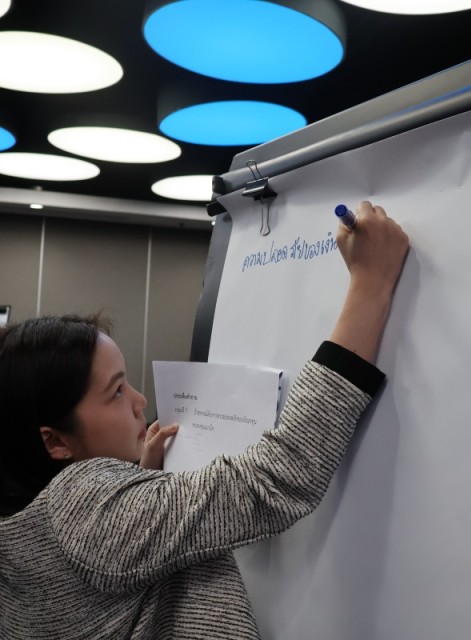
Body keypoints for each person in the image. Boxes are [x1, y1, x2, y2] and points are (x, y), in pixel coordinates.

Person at [0, 201, 409, 639]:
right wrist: (370, 284)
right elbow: (278, 476)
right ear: (55, 442)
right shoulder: (84, 509)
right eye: (116, 391)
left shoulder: (20, 533)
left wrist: (140, 484)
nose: (140, 401)